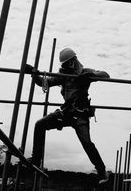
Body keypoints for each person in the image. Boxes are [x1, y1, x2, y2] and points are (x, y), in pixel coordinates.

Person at [26, 47, 110, 184]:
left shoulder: (84, 72)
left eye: (71, 62)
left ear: (74, 61)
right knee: (40, 124)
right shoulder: (63, 76)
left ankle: (101, 172)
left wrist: (89, 76)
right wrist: (33, 73)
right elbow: (43, 82)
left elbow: (106, 75)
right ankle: (36, 159)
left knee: (87, 143)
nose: (69, 65)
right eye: (66, 64)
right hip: (66, 113)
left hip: (80, 115)